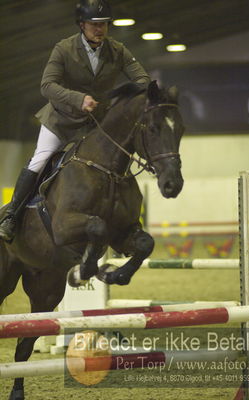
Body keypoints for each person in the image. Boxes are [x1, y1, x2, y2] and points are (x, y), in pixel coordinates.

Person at [0, 0, 150, 242]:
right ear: (82, 25)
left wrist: (124, 95)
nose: (100, 29)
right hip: (61, 119)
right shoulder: (64, 48)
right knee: (41, 158)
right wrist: (78, 99)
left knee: (114, 161)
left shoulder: (118, 50)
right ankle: (12, 217)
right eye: (94, 24)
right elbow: (47, 86)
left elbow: (143, 79)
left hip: (94, 123)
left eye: (104, 24)